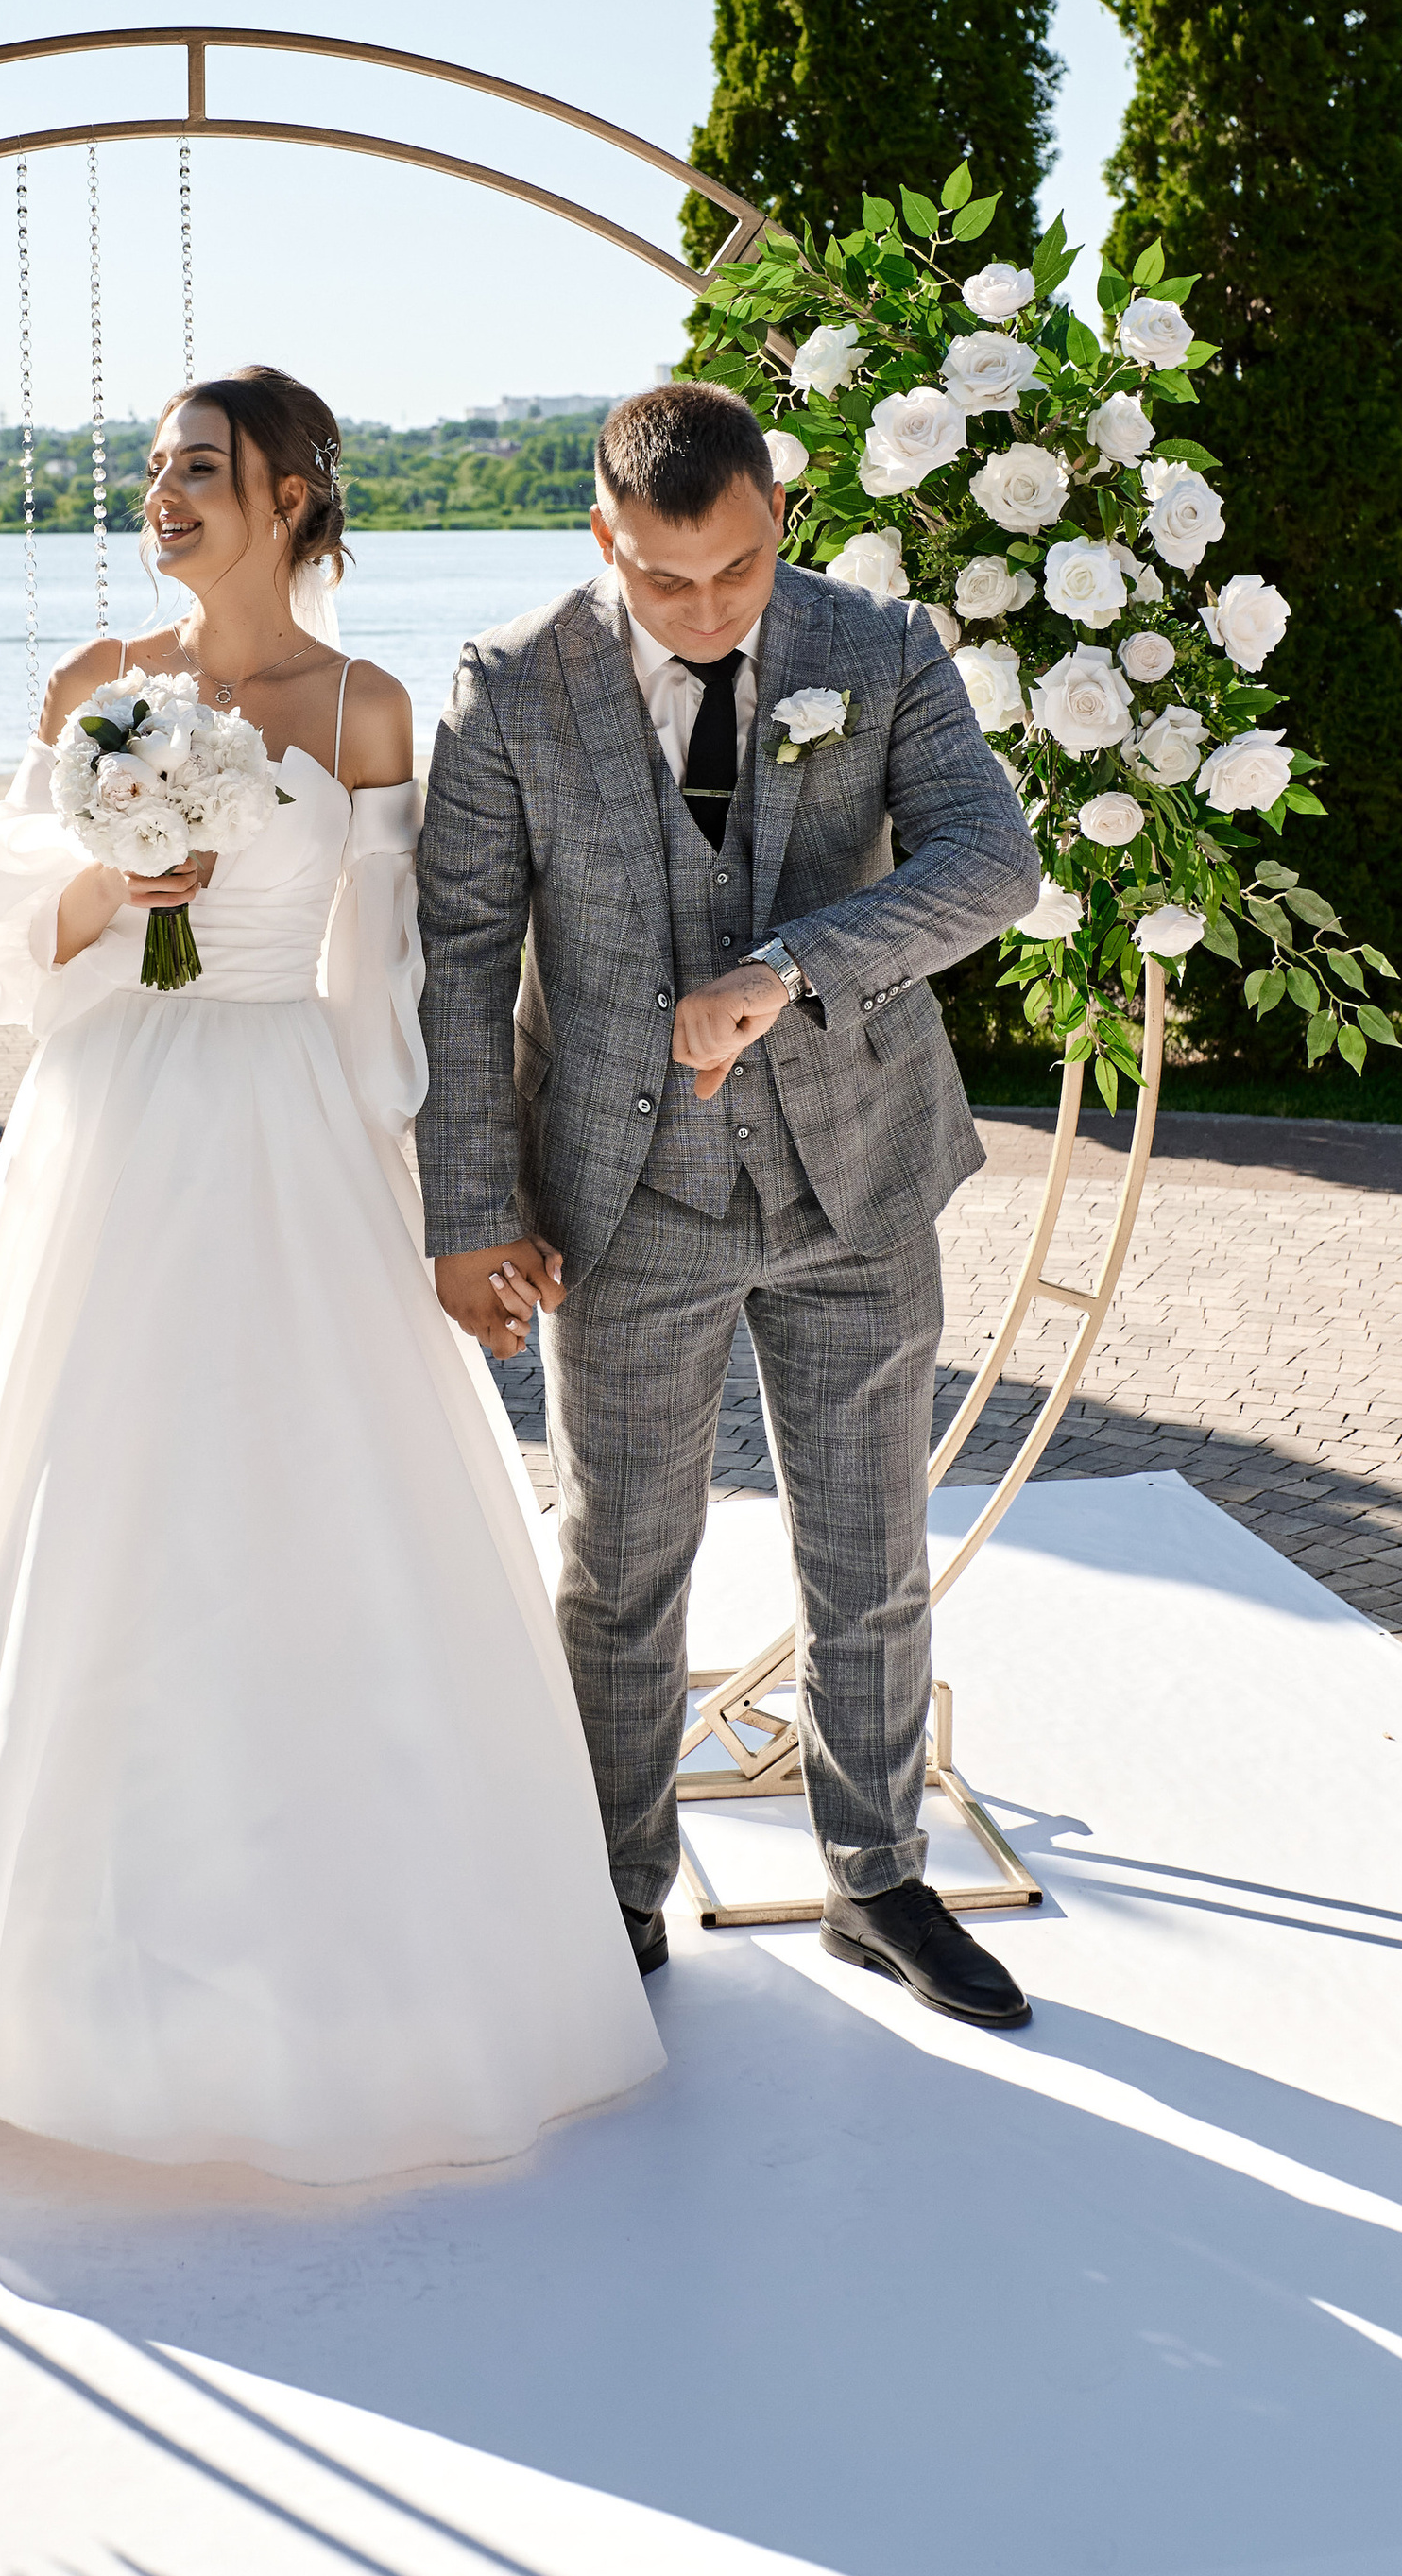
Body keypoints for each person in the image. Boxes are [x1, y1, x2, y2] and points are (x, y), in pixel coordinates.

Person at [0, 367, 662, 2182]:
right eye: (154, 471)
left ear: (295, 494)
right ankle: (41, 1991)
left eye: (201, 470)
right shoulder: (95, 687)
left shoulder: (369, 709)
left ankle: (347, 1980)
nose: (168, 496)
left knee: (307, 1511)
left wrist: (434, 1191)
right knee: (82, 1496)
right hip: (109, 1122)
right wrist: (104, 893)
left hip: (288, 1124)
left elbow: (395, 982)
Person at [416, 381, 1042, 2025]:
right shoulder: (507, 684)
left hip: (859, 1175)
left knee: (869, 1539)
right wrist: (468, 1205)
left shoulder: (882, 642)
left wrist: (787, 966)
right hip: (624, 1194)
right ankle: (614, 1889)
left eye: (739, 572)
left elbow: (994, 859)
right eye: (661, 581)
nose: (703, 614)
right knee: (618, 1558)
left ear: (783, 517)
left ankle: (877, 1877)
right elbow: (466, 965)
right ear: (601, 539)